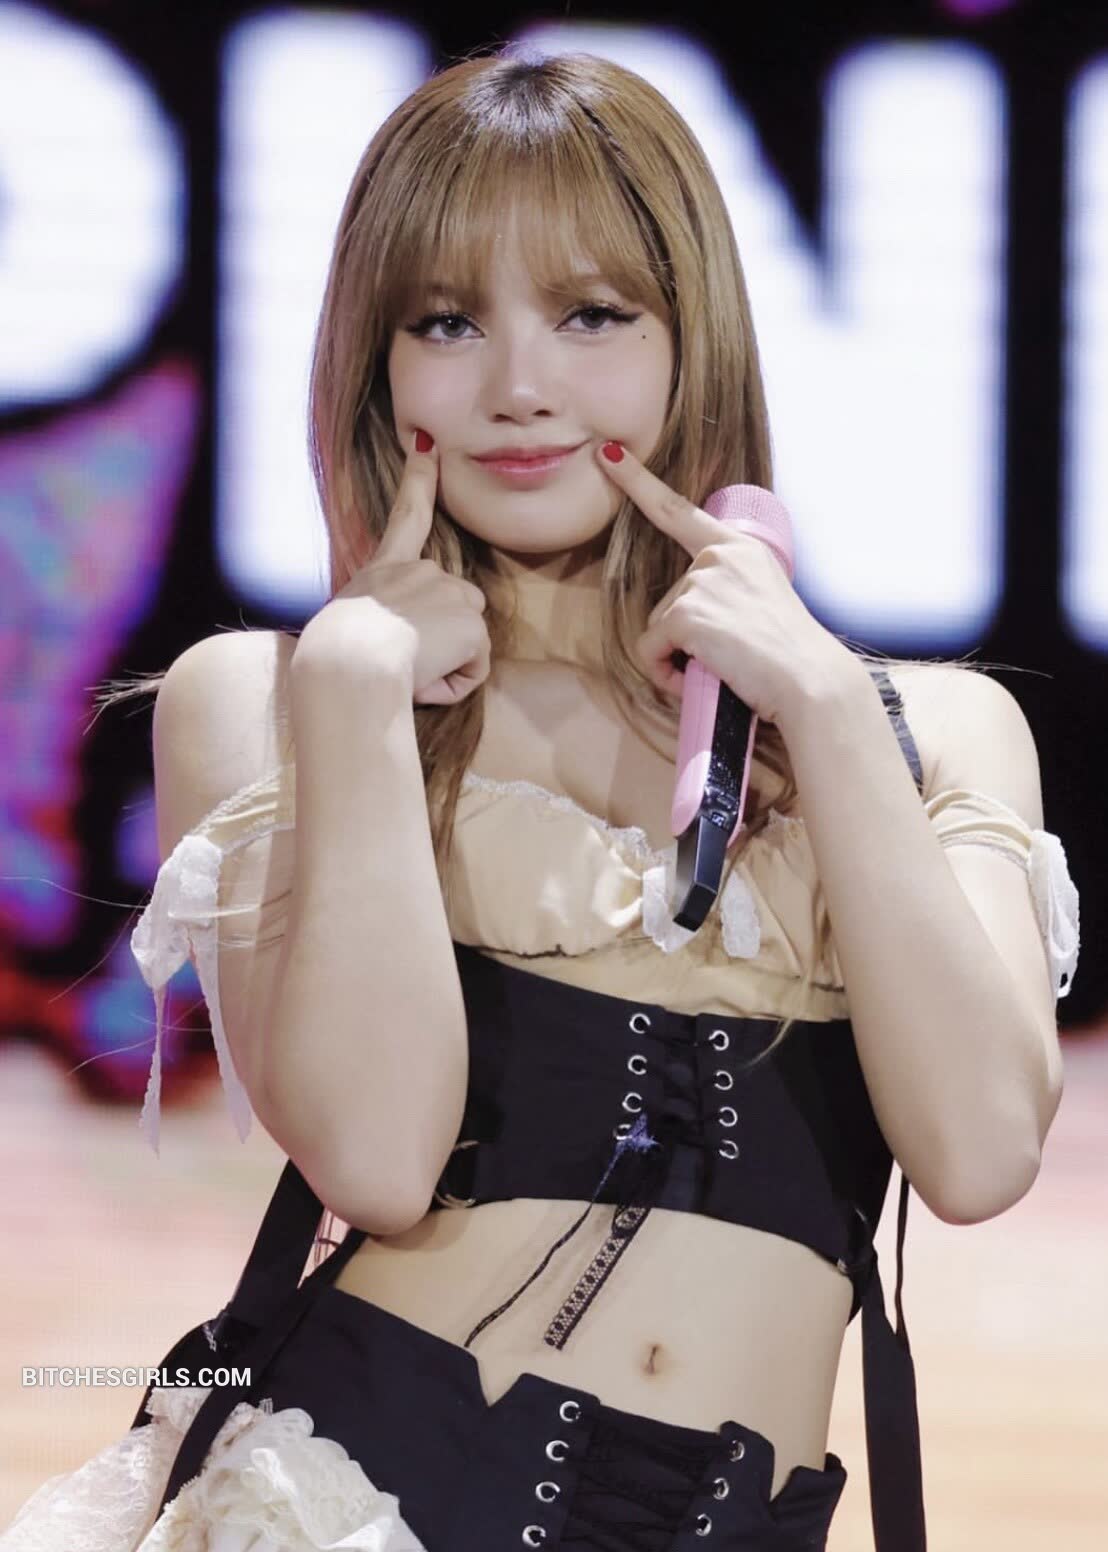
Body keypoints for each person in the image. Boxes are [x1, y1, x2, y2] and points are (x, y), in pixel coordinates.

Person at [1, 47, 1079, 1552]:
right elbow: (377, 1160)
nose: (518, 388)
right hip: (349, 1506)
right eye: (446, 322)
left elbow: (977, 1153)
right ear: (379, 365)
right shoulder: (274, 699)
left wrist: (826, 707)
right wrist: (357, 690)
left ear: (693, 339)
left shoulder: (929, 731)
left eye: (591, 315)